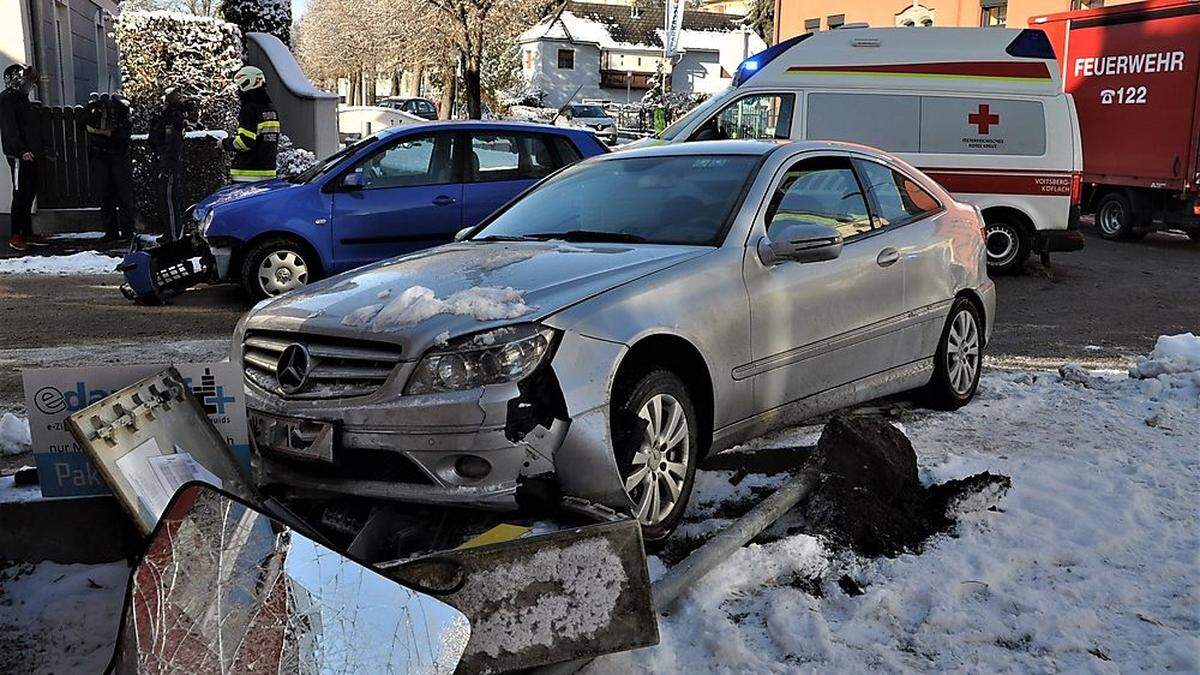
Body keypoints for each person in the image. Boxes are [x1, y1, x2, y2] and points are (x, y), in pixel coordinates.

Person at [0, 64, 49, 251]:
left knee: (29, 192)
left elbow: (31, 127)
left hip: (30, 153)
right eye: (27, 81)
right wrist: (20, 150)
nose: (30, 85)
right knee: (20, 193)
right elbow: (9, 128)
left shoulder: (22, 99)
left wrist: (41, 147)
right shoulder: (7, 100)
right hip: (19, 156)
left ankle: (26, 232)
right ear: (16, 80)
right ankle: (16, 234)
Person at [84, 92, 135, 242]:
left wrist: (103, 132)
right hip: (109, 158)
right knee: (111, 196)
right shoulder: (100, 113)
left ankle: (122, 232)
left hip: (113, 158)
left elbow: (121, 135)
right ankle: (117, 232)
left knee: (120, 196)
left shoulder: (123, 118)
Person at [223, 66, 279, 183]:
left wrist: (224, 143)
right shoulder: (271, 109)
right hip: (268, 173)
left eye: (240, 86)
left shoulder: (249, 110)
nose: (239, 91)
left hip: (246, 174)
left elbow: (244, 142)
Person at [148, 87, 190, 241]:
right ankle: (170, 233)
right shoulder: (165, 118)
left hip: (169, 165)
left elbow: (172, 146)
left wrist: (166, 167)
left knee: (169, 200)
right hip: (163, 162)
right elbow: (154, 141)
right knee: (165, 200)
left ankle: (173, 236)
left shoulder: (173, 119)